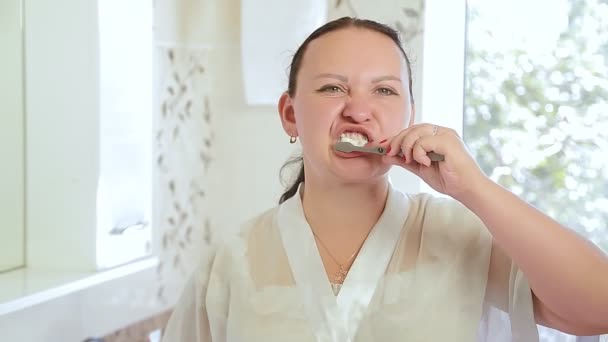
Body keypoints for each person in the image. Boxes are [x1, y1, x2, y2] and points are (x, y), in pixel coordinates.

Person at [161, 17, 608, 341]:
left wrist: (475, 189)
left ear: (409, 113)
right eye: (332, 88)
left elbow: (599, 308)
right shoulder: (233, 263)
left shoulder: (459, 237)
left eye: (385, 90)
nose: (358, 109)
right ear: (291, 114)